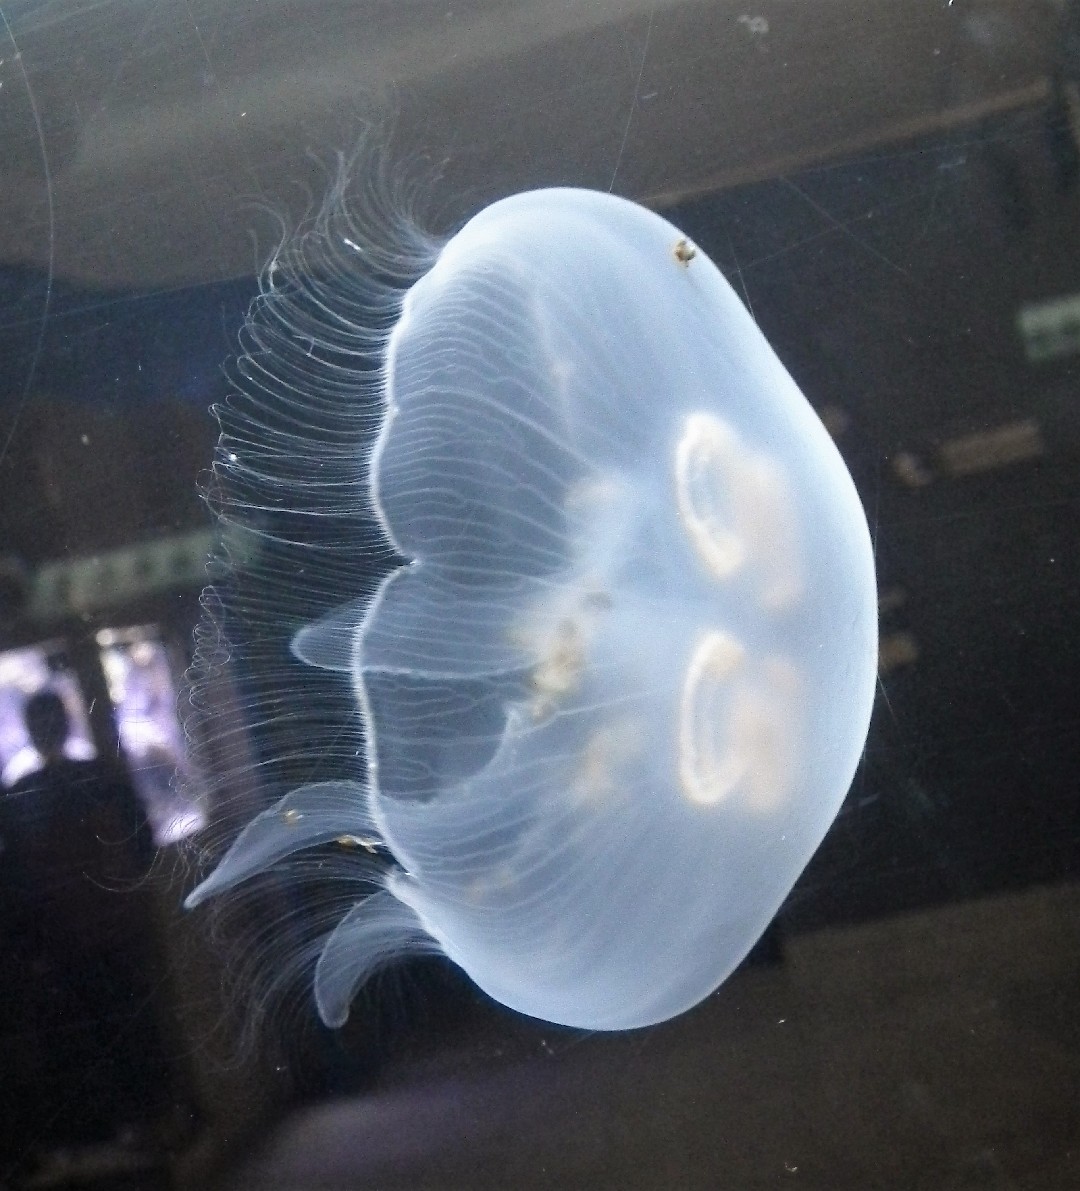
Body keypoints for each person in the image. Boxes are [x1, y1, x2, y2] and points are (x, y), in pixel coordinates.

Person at [0, 690, 165, 1153]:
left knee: (94, 1034)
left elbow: (17, 880)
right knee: (124, 1027)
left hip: (69, 939)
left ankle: (127, 1128)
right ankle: (147, 1121)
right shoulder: (95, 778)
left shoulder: (22, 795)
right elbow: (141, 847)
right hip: (103, 930)